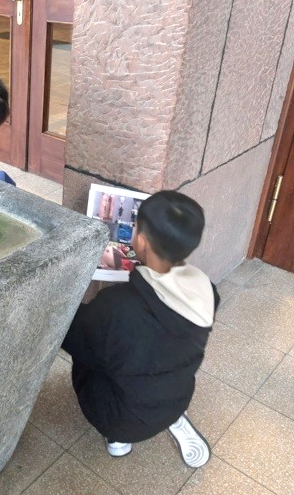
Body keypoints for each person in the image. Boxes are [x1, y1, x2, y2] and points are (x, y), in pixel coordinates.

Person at [61, 191, 219, 467]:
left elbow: (70, 334)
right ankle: (171, 417)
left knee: (88, 354)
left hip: (122, 419)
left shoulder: (115, 308)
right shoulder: (207, 290)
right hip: (177, 399)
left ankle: (117, 438)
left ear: (142, 242)